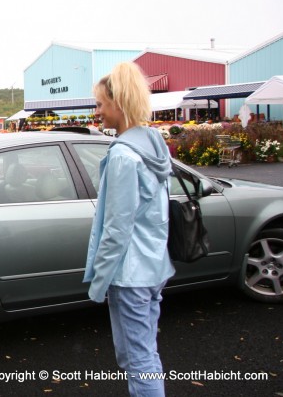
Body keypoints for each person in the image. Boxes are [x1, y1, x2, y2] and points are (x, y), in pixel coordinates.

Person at [83, 62, 175, 397]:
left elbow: (117, 228)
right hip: (154, 266)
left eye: (100, 104)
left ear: (118, 104)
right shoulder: (152, 143)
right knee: (144, 352)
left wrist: (99, 279)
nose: (98, 113)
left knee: (139, 360)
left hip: (131, 273)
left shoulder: (124, 155)